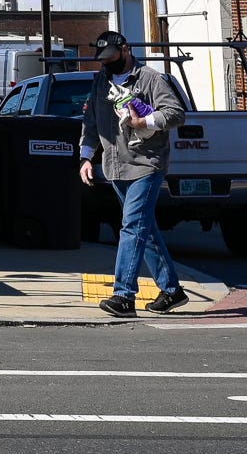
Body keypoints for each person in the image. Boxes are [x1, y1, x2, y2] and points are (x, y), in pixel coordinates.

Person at [77, 29, 191, 317]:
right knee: (144, 229)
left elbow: (176, 112)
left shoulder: (150, 78)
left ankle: (124, 295)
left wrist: (146, 121)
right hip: (115, 167)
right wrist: (86, 157)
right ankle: (172, 291)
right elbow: (91, 122)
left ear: (125, 50)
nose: (107, 63)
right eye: (102, 58)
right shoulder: (100, 82)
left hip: (146, 164)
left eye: (111, 57)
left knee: (131, 227)